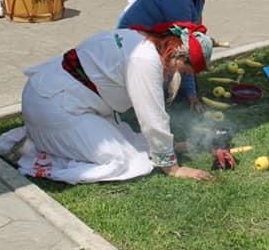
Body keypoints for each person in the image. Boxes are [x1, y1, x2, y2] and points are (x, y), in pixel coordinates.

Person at [17, 23, 214, 183]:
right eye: (183, 70)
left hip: (52, 95)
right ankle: (35, 153)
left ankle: (49, 141)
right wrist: (172, 168)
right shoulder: (145, 60)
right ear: (175, 54)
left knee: (128, 140)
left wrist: (169, 146)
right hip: (53, 106)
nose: (178, 75)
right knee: (123, 160)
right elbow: (152, 118)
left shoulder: (142, 39)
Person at [118, 0, 236, 110]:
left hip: (156, 40)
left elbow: (193, 35)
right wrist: (192, 95)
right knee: (157, 90)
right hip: (131, 48)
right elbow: (183, 48)